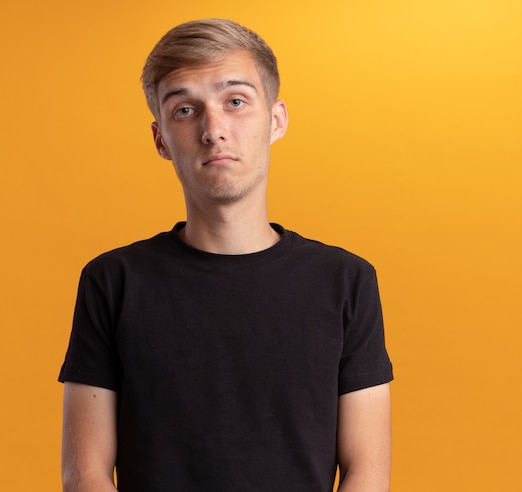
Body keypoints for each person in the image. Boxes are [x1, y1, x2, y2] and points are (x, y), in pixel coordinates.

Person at [59, 18, 393, 492]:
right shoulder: (113, 282)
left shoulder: (346, 281)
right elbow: (84, 474)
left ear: (276, 120)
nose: (214, 129)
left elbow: (367, 473)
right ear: (160, 139)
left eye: (235, 102)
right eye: (185, 110)